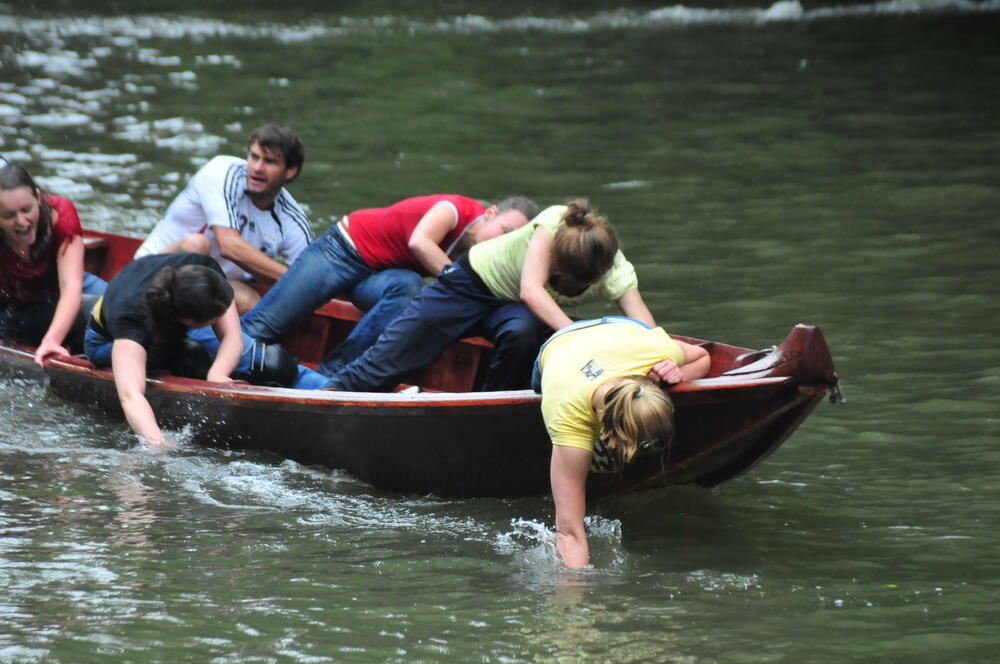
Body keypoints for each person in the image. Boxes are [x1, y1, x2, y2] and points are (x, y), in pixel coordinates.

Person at [323, 199, 655, 393]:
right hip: (469, 283)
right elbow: (531, 290)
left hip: (512, 307)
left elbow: (647, 331)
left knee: (522, 335)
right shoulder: (556, 222)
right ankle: (333, 392)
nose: (555, 275)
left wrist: (660, 361)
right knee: (391, 356)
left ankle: (491, 407)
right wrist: (582, 340)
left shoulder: (616, 274)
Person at [241, 194, 538, 376]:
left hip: (378, 276)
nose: (504, 242)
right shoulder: (454, 209)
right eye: (504, 231)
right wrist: (465, 283)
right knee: (263, 327)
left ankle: (334, 374)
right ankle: (220, 354)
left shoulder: (480, 255)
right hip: (342, 250)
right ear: (490, 213)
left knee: (408, 286)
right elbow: (419, 243)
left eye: (512, 240)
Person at [531, 316, 710, 568]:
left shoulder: (657, 351)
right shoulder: (568, 415)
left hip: (624, 328)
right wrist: (574, 588)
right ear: (608, 433)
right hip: (559, 343)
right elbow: (568, 533)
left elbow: (702, 357)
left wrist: (674, 375)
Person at [133, 124, 313, 313]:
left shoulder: (293, 221)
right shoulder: (221, 172)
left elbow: (310, 279)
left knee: (250, 301)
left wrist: (306, 280)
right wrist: (292, 277)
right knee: (197, 245)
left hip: (210, 286)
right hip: (149, 272)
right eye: (254, 157)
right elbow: (229, 246)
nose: (257, 168)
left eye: (270, 162)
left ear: (290, 171)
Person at [83, 253, 244, 446]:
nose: (223, 317)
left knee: (204, 358)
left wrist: (217, 375)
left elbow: (233, 335)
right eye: (216, 318)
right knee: (192, 357)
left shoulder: (204, 272)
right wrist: (158, 443)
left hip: (153, 319)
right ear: (188, 321)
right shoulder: (132, 318)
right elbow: (130, 395)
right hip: (105, 342)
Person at [0, 163, 107, 365]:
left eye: (26, 210)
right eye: (9, 216)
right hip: (14, 308)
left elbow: (71, 286)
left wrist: (52, 340)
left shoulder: (61, 214)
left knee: (120, 305)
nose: (21, 221)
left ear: (38, 198)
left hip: (63, 285)